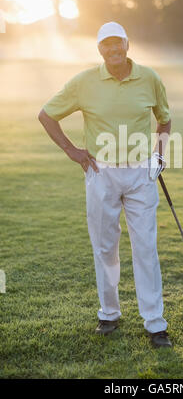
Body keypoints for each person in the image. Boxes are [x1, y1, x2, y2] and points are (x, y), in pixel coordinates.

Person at [38, 22, 172, 348]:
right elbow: (46, 115)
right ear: (99, 49)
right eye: (106, 46)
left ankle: (155, 324)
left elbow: (164, 118)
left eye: (118, 44)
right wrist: (72, 151)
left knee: (146, 248)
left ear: (128, 44)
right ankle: (109, 314)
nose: (113, 50)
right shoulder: (84, 82)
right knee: (105, 248)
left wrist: (159, 156)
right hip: (102, 173)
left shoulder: (150, 78)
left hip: (141, 175)